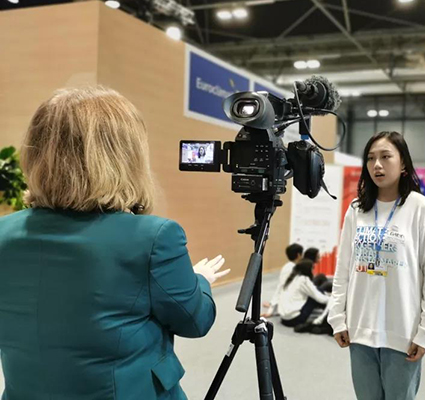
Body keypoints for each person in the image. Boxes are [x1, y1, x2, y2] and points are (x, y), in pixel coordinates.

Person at [0, 87, 231, 399]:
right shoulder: (154, 238)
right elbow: (195, 320)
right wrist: (200, 279)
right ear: (126, 156)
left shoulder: (4, 232)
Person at [328, 131, 425, 400]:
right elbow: (343, 269)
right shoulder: (356, 209)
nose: (377, 165)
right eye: (370, 158)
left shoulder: (422, 209)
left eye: (385, 157)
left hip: (402, 333)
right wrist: (337, 318)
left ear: (403, 163)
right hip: (359, 330)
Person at [279, 260, 330, 327]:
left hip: (284, 318)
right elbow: (321, 299)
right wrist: (331, 298)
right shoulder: (304, 280)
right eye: (312, 269)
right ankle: (327, 314)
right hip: (294, 319)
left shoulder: (293, 277)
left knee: (316, 290)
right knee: (317, 294)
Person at [262, 243, 303, 318]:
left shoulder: (288, 266)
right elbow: (281, 288)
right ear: (298, 255)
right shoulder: (291, 269)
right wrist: (271, 309)